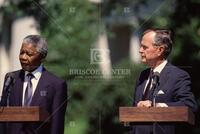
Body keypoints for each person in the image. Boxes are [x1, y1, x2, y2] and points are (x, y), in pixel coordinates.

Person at [130, 28, 197, 134]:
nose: (140, 50)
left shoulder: (178, 76)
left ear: (160, 50)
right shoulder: (142, 76)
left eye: (144, 47)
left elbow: (189, 105)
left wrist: (158, 106)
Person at [0, 35, 68, 134]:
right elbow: (3, 116)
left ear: (42, 56)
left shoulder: (56, 85)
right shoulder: (11, 78)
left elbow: (57, 126)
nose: (23, 57)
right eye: (21, 52)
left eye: (29, 54)